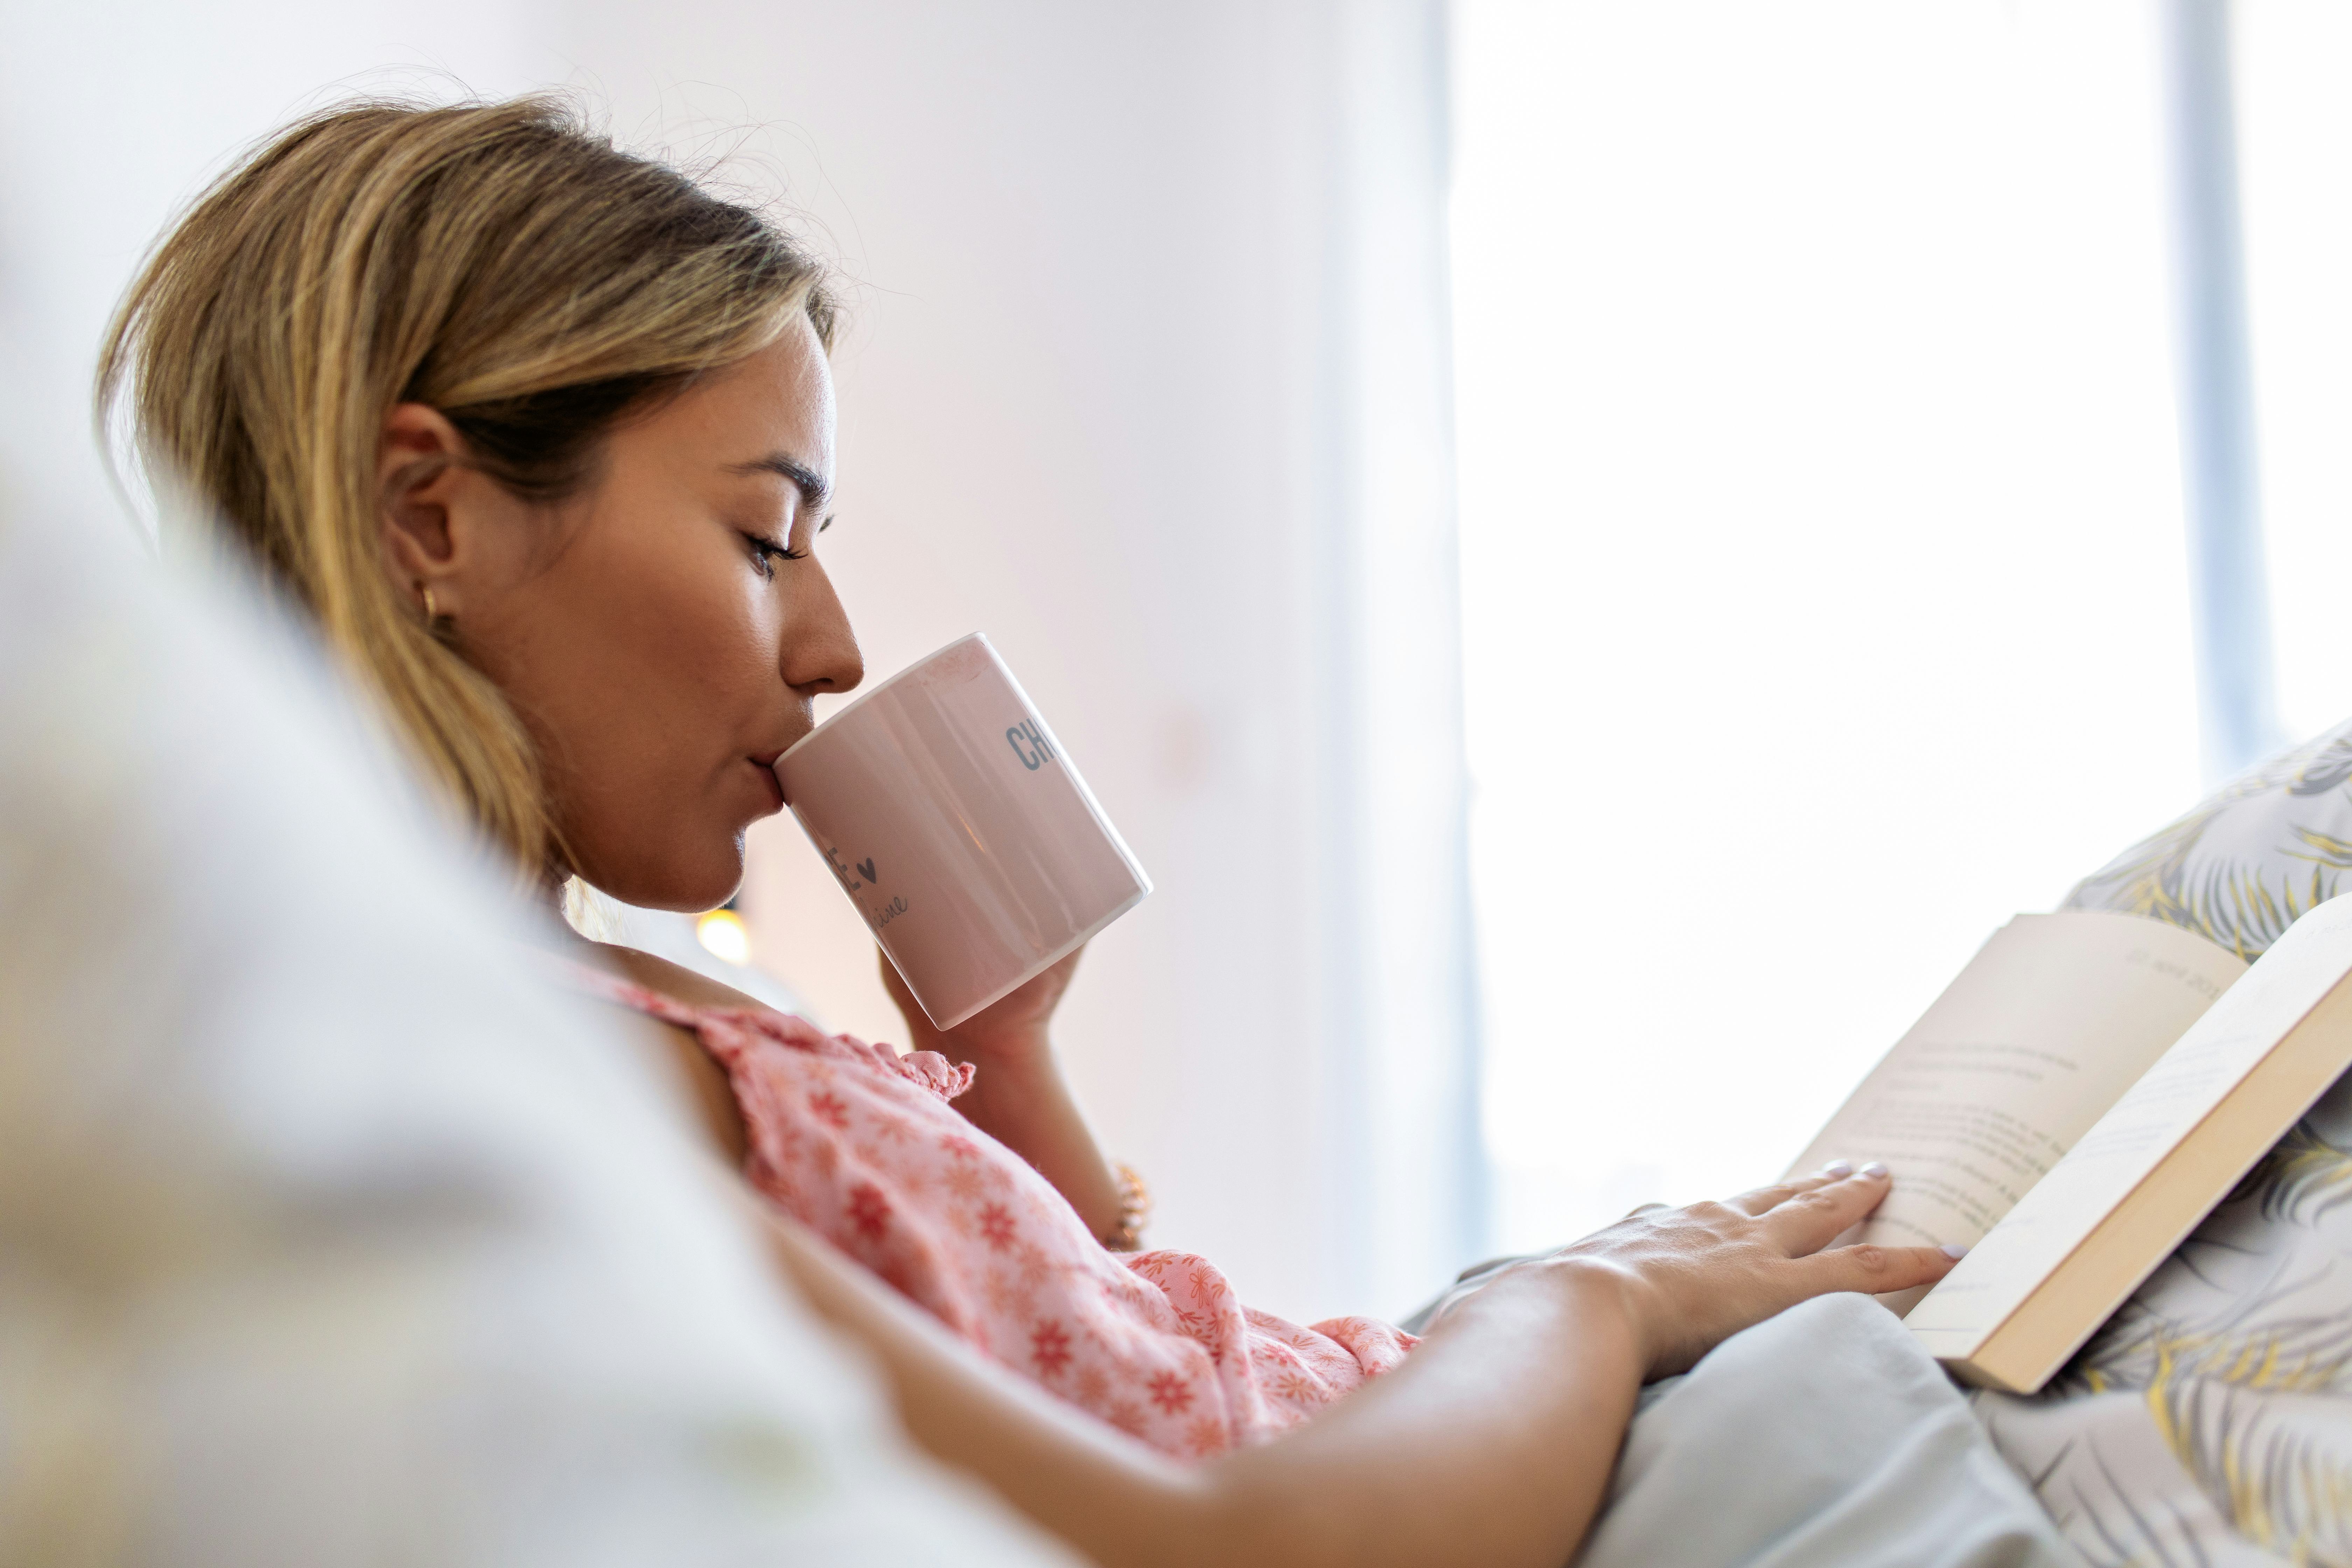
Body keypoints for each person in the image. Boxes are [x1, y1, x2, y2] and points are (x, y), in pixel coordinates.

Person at [96, 94, 1993, 1567]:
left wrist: (1002, 1062)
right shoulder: (525, 1092)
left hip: (1435, 1423)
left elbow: (1081, 1354)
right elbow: (1208, 1550)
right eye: (767, 537)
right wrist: (1576, 1305)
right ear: (430, 519)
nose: (830, 646)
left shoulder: (586, 1007)